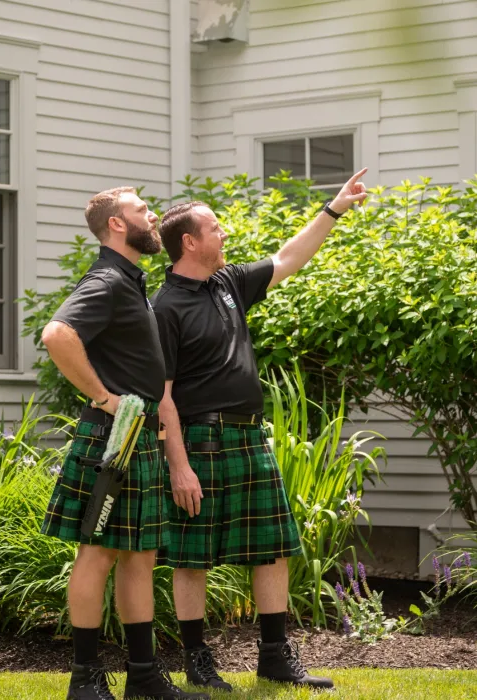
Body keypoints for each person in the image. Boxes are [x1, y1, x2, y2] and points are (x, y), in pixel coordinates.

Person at [151, 169, 369, 692]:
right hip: (200, 441)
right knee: (192, 555)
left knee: (271, 549)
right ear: (190, 241)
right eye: (216, 228)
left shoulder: (227, 285)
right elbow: (161, 397)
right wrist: (178, 465)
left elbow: (290, 257)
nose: (224, 234)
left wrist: (334, 209)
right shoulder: (164, 308)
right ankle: (197, 660)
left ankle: (274, 656)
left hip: (248, 437)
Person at [40, 187, 209, 700]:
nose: (152, 215)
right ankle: (85, 679)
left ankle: (142, 675)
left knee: (140, 556)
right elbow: (57, 334)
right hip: (113, 438)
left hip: (137, 438)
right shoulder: (108, 279)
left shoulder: (130, 281)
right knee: (97, 555)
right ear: (116, 225)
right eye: (141, 210)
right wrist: (104, 398)